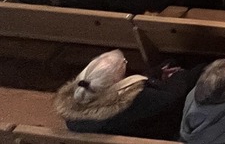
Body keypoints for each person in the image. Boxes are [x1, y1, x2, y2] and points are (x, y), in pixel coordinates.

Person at [53, 49, 204, 140]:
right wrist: (176, 76)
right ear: (114, 81)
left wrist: (155, 73)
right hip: (157, 132)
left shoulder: (79, 107)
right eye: (124, 62)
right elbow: (172, 97)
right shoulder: (135, 99)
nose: (126, 63)